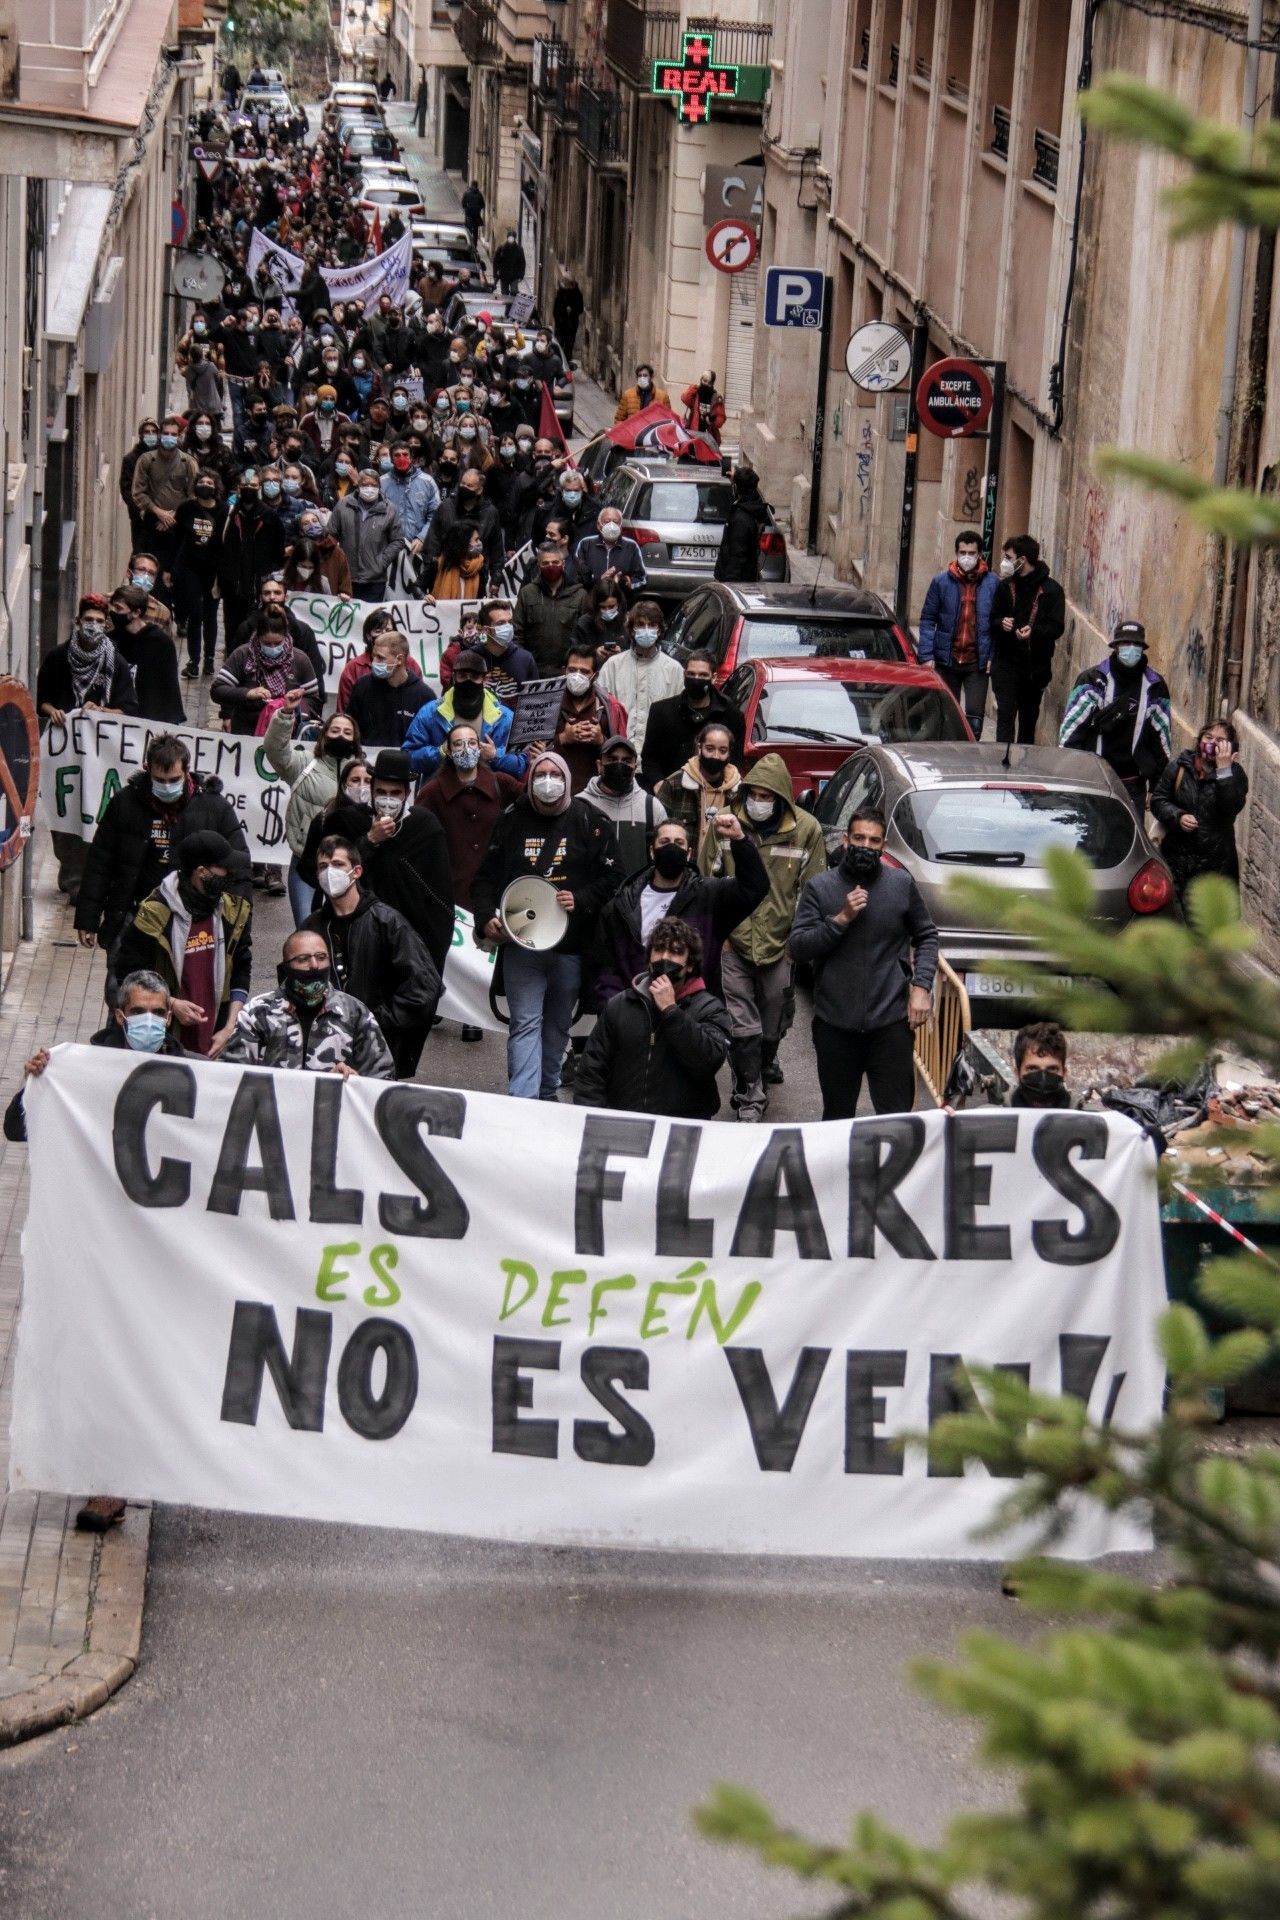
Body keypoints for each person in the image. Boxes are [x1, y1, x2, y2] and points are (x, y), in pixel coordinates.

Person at [472, 751, 619, 1100]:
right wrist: (484, 919)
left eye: (556, 773)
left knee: (556, 1028)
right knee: (525, 1023)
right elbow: (484, 880)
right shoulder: (511, 820)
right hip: (522, 944)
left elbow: (615, 876)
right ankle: (523, 1101)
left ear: (568, 780)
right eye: (541, 773)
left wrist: (581, 900)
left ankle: (547, 1089)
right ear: (531, 778)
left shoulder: (591, 822)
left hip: (569, 947)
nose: (548, 781)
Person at [698, 753, 826, 1121]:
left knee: (773, 1021)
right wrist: (717, 935)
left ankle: (763, 1064)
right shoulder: (727, 824)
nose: (757, 801)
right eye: (752, 793)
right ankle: (749, 1093)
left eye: (766, 795)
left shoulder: (807, 830)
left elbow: (812, 893)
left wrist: (795, 944)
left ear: (781, 798)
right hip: (733, 942)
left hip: (780, 943)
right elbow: (708, 879)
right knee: (743, 1025)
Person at [789, 809, 938, 1118]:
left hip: (891, 1025)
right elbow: (798, 948)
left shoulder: (900, 884)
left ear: (883, 846)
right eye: (859, 838)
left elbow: (926, 935)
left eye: (873, 841)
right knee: (838, 1118)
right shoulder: (821, 887)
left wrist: (921, 986)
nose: (865, 847)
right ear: (845, 840)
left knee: (896, 1119)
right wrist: (840, 919)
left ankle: (894, 1169)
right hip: (835, 1025)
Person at [74, 733, 251, 962]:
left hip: (193, 919)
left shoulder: (215, 808)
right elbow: (100, 862)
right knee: (124, 991)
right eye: (160, 780)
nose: (167, 786)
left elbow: (239, 868)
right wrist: (88, 918)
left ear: (187, 771)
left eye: (174, 779)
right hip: (133, 916)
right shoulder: (125, 804)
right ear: (147, 769)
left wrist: (237, 924)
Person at [302, 836, 442, 1079]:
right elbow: (292, 985)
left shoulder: (387, 922)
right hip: (323, 1051)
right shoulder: (311, 928)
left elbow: (423, 988)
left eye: (337, 864)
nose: (329, 872)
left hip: (376, 1052)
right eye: (323, 867)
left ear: (356, 871)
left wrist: (375, 1021)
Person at [593, 814, 768, 1005]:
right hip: (636, 1010)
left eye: (679, 842)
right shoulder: (622, 906)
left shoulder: (710, 896)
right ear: (652, 851)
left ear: (689, 853)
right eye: (664, 841)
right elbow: (606, 969)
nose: (671, 847)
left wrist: (739, 840)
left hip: (694, 1011)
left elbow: (754, 887)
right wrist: (616, 1009)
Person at [112, 831, 253, 1059]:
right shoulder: (155, 913)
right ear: (201, 872)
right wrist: (172, 1004)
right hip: (165, 1041)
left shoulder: (233, 911)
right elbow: (128, 974)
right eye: (223, 868)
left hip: (215, 1040)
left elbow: (242, 967)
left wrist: (229, 1028)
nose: (229, 874)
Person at [574, 917, 732, 1120]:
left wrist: (671, 1011)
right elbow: (591, 1071)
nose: (664, 958)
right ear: (648, 959)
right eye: (658, 950)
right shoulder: (619, 1006)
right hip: (626, 1126)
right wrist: (594, 1118)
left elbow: (707, 1062)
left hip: (680, 1131)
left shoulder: (710, 1009)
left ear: (690, 965)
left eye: (675, 952)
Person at [4, 970, 186, 1144]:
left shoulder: (190, 1073)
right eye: (138, 1012)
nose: (148, 1021)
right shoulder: (85, 1071)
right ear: (120, 1016)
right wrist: (35, 1084)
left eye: (158, 1013)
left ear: (168, 1018)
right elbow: (16, 1130)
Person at [222, 930, 394, 1079]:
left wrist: (354, 1082)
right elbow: (231, 1077)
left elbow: (383, 1080)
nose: (314, 965)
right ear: (286, 968)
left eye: (321, 957)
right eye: (303, 959)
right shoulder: (257, 1013)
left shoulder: (355, 1013)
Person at [347, 748, 454, 985]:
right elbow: (341, 877)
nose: (387, 799)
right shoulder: (354, 821)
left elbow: (440, 899)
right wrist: (370, 841)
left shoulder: (425, 827)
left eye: (395, 793)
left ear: (406, 793)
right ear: (372, 791)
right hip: (363, 944)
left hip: (411, 946)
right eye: (381, 792)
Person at [264, 697, 364, 924]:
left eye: (347, 732)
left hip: (348, 866)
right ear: (324, 734)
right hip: (306, 863)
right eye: (335, 730)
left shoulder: (361, 773)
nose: (340, 736)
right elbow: (274, 750)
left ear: (355, 739)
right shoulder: (304, 764)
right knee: (306, 928)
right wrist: (285, 715)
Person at [1058, 618, 1171, 812]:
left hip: (1133, 784)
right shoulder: (1093, 681)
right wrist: (1071, 775)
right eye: (1126, 643)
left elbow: (1161, 739)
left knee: (1129, 839)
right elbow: (1071, 732)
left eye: (1136, 644)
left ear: (1143, 648)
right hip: (1094, 779)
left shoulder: (1155, 686)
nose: (1131, 648)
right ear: (1116, 646)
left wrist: (1156, 787)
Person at [1151, 718, 1248, 905]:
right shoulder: (1179, 766)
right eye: (1208, 737)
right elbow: (1158, 800)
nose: (1212, 743)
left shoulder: (1235, 775)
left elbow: (1231, 808)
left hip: (1214, 869)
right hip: (1176, 864)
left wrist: (1224, 771)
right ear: (1200, 740)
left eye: (1220, 741)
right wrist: (1177, 816)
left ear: (1229, 747)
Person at [917, 529, 997, 740]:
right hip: (947, 660)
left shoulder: (992, 584)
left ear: (980, 554)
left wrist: (992, 656)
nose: (967, 558)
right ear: (956, 553)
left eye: (972, 553)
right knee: (945, 715)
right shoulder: (941, 582)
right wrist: (926, 655)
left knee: (974, 717)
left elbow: (996, 624)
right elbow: (927, 619)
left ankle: (969, 755)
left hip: (976, 662)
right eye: (963, 552)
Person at [989, 533, 1066, 746]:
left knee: (1028, 723)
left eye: (1009, 557)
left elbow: (1056, 627)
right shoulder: (1005, 587)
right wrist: (1001, 623)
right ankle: (1001, 763)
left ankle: (1023, 767)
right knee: (1005, 717)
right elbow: (992, 619)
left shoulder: (1052, 591)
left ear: (1023, 560)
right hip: (1006, 664)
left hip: (1034, 669)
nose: (1005, 562)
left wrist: (1034, 632)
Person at [403, 648, 525, 779]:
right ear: (454, 677)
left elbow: (521, 764)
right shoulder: (431, 713)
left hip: (487, 795)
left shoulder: (504, 718)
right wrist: (440, 752)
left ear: (484, 679)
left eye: (475, 677)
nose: (468, 681)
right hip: (441, 795)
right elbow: (408, 758)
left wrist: (495, 756)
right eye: (463, 676)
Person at [640, 650, 745, 787]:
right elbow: (649, 759)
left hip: (713, 794)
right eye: (691, 674)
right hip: (669, 792)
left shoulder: (732, 715)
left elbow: (735, 762)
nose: (696, 679)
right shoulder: (661, 711)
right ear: (684, 675)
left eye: (702, 675)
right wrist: (659, 786)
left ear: (713, 678)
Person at [211, 608, 319, 736]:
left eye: (277, 643)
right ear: (258, 636)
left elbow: (313, 699)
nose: (273, 648)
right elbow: (217, 690)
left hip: (287, 734)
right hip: (246, 732)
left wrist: (291, 707)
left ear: (285, 636)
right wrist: (247, 694)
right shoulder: (243, 655)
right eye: (267, 643)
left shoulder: (300, 659)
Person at [596, 603, 682, 758]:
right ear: (631, 630)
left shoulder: (674, 670)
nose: (646, 630)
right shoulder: (613, 666)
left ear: (660, 629)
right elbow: (600, 711)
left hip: (657, 758)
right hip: (618, 755)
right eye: (640, 625)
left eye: (652, 625)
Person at [579, 735, 667, 876]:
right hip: (592, 896)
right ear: (599, 765)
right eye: (612, 759)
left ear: (634, 768)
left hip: (637, 895)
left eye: (626, 761)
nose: (619, 765)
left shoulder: (651, 807)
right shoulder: (580, 805)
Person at [654, 720, 740, 856]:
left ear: (729, 753)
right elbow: (657, 831)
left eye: (722, 751)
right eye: (710, 749)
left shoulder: (739, 791)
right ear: (699, 748)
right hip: (684, 869)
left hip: (723, 871)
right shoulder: (675, 784)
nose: (716, 756)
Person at [552, 642, 627, 793]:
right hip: (554, 788)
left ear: (595, 675)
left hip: (596, 793)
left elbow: (623, 756)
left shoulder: (610, 708)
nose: (577, 676)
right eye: (572, 670)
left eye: (584, 672)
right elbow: (529, 752)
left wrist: (601, 741)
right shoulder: (547, 704)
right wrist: (563, 738)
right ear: (563, 671)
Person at [171, 475, 225, 679]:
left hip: (213, 570)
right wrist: (170, 569)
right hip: (189, 568)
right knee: (195, 613)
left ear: (216, 487)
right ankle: (194, 660)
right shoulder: (186, 508)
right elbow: (176, 538)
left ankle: (209, 660)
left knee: (211, 615)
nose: (206, 485)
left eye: (210, 483)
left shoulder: (223, 511)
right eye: (202, 482)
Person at [105, 587, 184, 723]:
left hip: (148, 720)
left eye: (119, 608)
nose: (113, 612)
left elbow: (168, 690)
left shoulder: (160, 643)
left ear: (136, 612)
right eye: (112, 606)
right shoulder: (110, 641)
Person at [345, 627, 434, 747]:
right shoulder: (363, 686)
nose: (374, 662)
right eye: (374, 656)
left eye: (381, 658)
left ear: (400, 659)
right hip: (366, 761)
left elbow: (430, 739)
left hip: (407, 763)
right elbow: (350, 727)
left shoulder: (424, 695)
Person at [513, 540, 591, 673]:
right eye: (545, 563)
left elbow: (584, 637)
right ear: (538, 566)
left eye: (555, 562)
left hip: (567, 671)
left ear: (563, 564)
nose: (551, 566)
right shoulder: (527, 593)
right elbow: (517, 633)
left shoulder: (580, 595)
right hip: (533, 670)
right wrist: (524, 663)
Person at [328, 469, 402, 602]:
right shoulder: (343, 504)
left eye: (373, 485)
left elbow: (397, 540)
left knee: (370, 619)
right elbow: (331, 535)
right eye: (365, 484)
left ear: (379, 487)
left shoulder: (390, 509)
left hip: (375, 580)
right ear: (358, 485)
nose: (369, 488)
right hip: (346, 577)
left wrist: (381, 562)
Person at [573, 506, 647, 597]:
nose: (612, 526)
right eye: (607, 522)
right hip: (592, 602)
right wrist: (600, 581)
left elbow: (642, 580)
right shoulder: (586, 544)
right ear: (598, 525)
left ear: (621, 525)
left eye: (616, 522)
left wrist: (626, 584)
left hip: (620, 603)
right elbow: (577, 580)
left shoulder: (631, 546)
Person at [713, 468, 770, 585]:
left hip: (736, 582)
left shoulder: (741, 518)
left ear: (736, 488)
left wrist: (728, 585)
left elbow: (737, 555)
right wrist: (736, 479)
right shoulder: (752, 506)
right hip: (744, 579)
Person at [1010, 1021, 1072, 1109]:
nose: (1043, 1077)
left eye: (1052, 1069)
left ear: (1064, 1073)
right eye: (1032, 1069)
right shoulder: (995, 1117)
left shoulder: (1085, 1118)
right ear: (1017, 1073)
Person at [681, 370, 726, 443]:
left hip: (709, 436)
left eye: (709, 382)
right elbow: (684, 398)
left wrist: (712, 420)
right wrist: (693, 388)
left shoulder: (716, 398)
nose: (706, 384)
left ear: (712, 383)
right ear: (701, 380)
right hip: (694, 432)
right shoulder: (696, 394)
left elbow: (720, 418)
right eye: (704, 380)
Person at [552, 272, 584, 360]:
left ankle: (567, 362)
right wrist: (559, 320)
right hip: (561, 324)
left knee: (569, 345)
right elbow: (555, 310)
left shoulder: (577, 294)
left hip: (571, 324)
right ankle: (557, 360)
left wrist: (573, 310)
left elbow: (580, 309)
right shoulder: (561, 293)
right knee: (558, 343)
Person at [494, 229, 526, 297]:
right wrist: (495, 273)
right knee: (504, 294)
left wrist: (521, 275)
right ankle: (507, 307)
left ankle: (512, 305)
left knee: (514, 291)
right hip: (503, 275)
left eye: (512, 238)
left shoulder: (519, 249)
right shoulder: (501, 248)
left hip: (514, 275)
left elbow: (522, 262)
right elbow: (496, 261)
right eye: (509, 238)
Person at [461, 180, 485, 247]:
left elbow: (463, 203)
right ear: (476, 186)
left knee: (468, 232)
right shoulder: (479, 194)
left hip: (469, 216)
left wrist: (467, 208)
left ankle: (468, 245)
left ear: (471, 185)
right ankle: (475, 246)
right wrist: (478, 209)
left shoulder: (466, 193)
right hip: (476, 217)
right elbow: (483, 205)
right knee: (475, 233)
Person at [415, 66, 429, 140]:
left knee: (418, 111)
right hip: (421, 102)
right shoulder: (423, 85)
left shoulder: (424, 86)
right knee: (417, 111)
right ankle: (414, 121)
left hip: (422, 102)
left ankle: (415, 122)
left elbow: (423, 94)